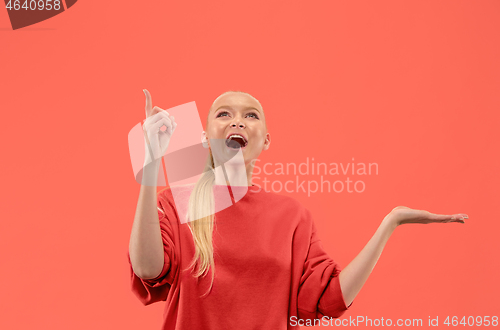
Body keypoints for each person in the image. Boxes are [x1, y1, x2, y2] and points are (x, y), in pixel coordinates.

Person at [127, 89, 469, 330]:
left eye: (250, 115)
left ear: (266, 140)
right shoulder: (178, 201)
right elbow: (147, 267)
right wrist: (152, 160)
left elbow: (329, 298)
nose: (238, 122)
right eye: (224, 114)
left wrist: (390, 222)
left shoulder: (291, 216)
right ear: (205, 138)